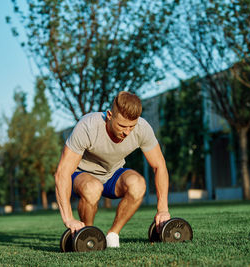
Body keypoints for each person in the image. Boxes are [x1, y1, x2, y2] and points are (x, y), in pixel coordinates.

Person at [54, 91, 170, 248]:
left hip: (111, 176)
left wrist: (162, 209)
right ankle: (88, 233)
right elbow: (63, 172)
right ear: (109, 115)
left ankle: (113, 234)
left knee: (138, 184)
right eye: (122, 125)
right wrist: (68, 218)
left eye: (131, 126)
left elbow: (159, 165)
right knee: (92, 188)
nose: (127, 132)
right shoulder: (88, 126)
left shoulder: (142, 128)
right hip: (81, 175)